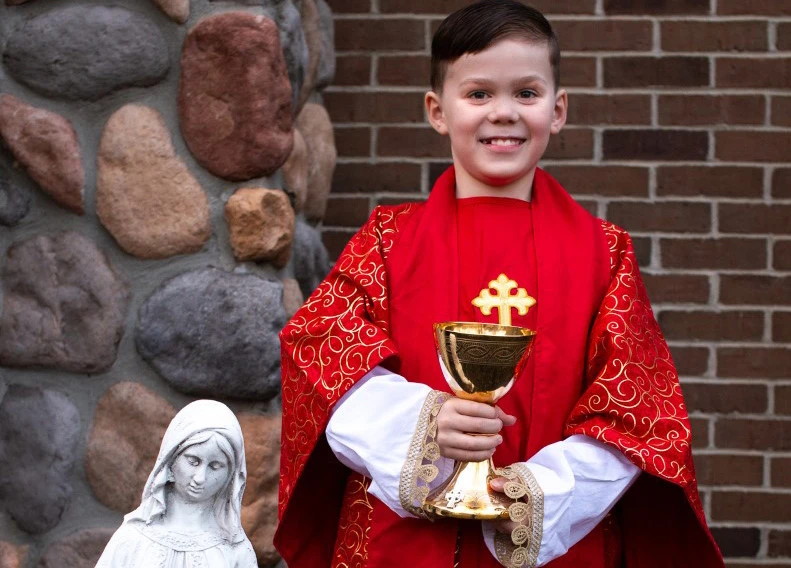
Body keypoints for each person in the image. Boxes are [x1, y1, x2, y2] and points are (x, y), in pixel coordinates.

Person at [274, 1, 724, 566]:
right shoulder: (389, 240)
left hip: (548, 542)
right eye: (479, 93)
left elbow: (639, 416)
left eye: (526, 94)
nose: (503, 113)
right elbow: (318, 354)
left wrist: (535, 494)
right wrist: (425, 425)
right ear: (438, 111)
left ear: (558, 111)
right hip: (400, 541)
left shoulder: (604, 253)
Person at [96, 400, 257, 568]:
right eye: (193, 461)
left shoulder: (235, 549)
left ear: (229, 476)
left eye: (215, 466)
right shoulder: (132, 537)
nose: (200, 478)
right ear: (171, 461)